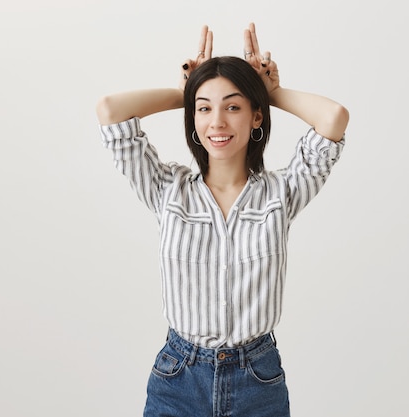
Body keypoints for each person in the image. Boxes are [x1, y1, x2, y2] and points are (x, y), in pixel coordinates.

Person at [95, 23, 349, 417]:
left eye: (233, 106)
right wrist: (186, 89)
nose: (217, 121)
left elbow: (333, 118)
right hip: (178, 377)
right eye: (204, 108)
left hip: (258, 379)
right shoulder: (167, 189)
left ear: (255, 118)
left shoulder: (281, 195)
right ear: (193, 118)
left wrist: (272, 92)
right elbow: (110, 110)